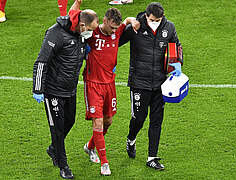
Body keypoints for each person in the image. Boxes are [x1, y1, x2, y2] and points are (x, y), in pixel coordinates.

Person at [71, 1, 139, 176]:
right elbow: (73, 22)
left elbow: (128, 21)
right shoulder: (91, 34)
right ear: (105, 20)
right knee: (98, 122)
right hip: (93, 83)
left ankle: (89, 147)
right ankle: (104, 163)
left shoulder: (118, 31)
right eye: (112, 27)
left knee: (108, 121)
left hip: (110, 84)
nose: (115, 32)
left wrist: (132, 21)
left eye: (117, 28)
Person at [32, 1, 98, 178]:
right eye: (91, 29)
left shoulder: (80, 32)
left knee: (70, 121)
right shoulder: (55, 33)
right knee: (58, 129)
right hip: (53, 90)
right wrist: (38, 89)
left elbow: (77, 51)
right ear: (82, 25)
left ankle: (53, 148)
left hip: (70, 89)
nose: (92, 33)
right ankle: (63, 165)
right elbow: (41, 61)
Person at [119, 2, 183, 170]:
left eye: (159, 19)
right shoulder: (136, 26)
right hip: (139, 82)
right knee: (139, 119)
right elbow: (115, 41)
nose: (156, 21)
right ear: (146, 16)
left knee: (156, 121)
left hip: (160, 83)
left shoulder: (168, 27)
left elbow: (176, 45)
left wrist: (178, 63)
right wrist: (126, 23)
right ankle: (131, 139)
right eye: (153, 19)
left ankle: (152, 157)